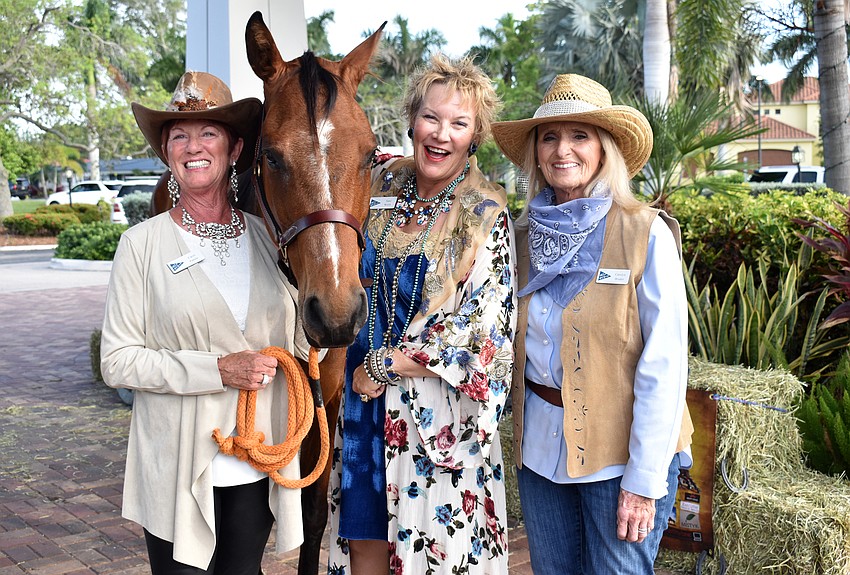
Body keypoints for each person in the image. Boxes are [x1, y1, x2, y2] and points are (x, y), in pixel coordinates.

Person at [101, 71, 311, 574]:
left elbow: (298, 340)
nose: (194, 146)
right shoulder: (142, 245)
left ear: (235, 149)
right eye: (179, 135)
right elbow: (117, 361)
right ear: (168, 152)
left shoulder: (268, 239)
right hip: (177, 465)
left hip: (254, 458)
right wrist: (217, 370)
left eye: (208, 133)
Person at [491, 74, 694, 575]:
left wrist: (644, 482)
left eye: (580, 135)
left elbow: (665, 366)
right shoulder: (517, 238)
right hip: (541, 454)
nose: (564, 150)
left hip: (621, 458)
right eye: (550, 136)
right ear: (536, 151)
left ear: (605, 149)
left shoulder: (646, 232)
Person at [327, 54, 517, 575]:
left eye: (459, 123)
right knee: (363, 545)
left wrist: (384, 366)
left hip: (433, 422)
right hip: (363, 413)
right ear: (412, 120)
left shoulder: (484, 213)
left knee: (428, 557)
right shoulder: (381, 186)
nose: (441, 134)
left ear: (475, 136)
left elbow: (484, 334)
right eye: (431, 118)